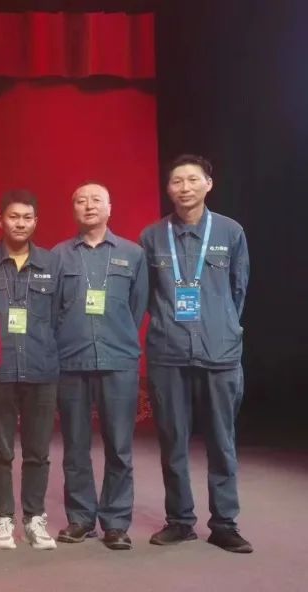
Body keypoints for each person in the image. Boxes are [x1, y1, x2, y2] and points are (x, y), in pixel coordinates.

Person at [140, 155, 252, 553]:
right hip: (168, 352)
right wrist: (169, 323)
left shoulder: (230, 231)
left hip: (220, 353)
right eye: (177, 181)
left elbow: (239, 288)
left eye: (192, 179)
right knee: (172, 440)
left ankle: (224, 523)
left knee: (222, 441)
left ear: (208, 184)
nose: (184, 187)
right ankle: (180, 521)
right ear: (168, 188)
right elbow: (147, 295)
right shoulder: (152, 236)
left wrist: (222, 326)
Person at [52, 183, 148, 550]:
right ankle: (80, 518)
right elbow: (52, 310)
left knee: (119, 447)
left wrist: (117, 335)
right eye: (81, 200)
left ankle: (116, 522)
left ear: (110, 207)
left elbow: (137, 306)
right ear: (73, 209)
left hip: (118, 359)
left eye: (96, 200)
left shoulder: (133, 254)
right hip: (71, 360)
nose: (89, 206)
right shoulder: (59, 255)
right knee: (75, 446)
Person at [0, 190, 62, 551]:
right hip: (0, 371)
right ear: (0, 221)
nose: (20, 223)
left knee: (38, 451)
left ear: (35, 222)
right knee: (0, 450)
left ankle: (35, 518)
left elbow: (61, 315)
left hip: (41, 369)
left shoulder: (52, 263)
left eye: (27, 217)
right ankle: (4, 518)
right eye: (13, 217)